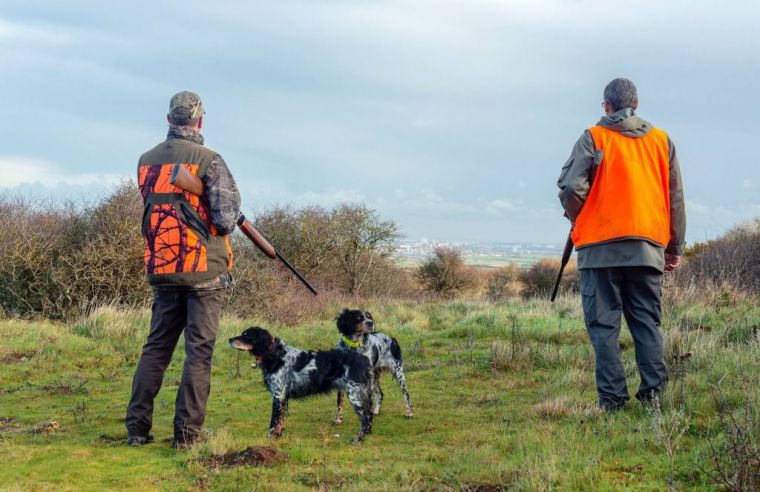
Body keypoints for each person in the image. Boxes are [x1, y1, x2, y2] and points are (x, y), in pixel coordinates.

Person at [557, 78, 686, 411]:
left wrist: (576, 219)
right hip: (647, 248)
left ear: (606, 106)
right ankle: (654, 396)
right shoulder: (661, 141)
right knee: (646, 322)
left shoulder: (593, 137)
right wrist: (674, 248)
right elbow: (676, 200)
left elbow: (571, 188)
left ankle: (613, 402)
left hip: (599, 250)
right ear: (637, 104)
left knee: (603, 327)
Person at [126, 91, 241, 447]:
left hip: (162, 266)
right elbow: (223, 221)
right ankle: (187, 436)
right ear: (200, 120)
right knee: (198, 352)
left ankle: (137, 430)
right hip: (203, 270)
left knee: (156, 348)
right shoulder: (210, 160)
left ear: (168, 120)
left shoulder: (145, 161)